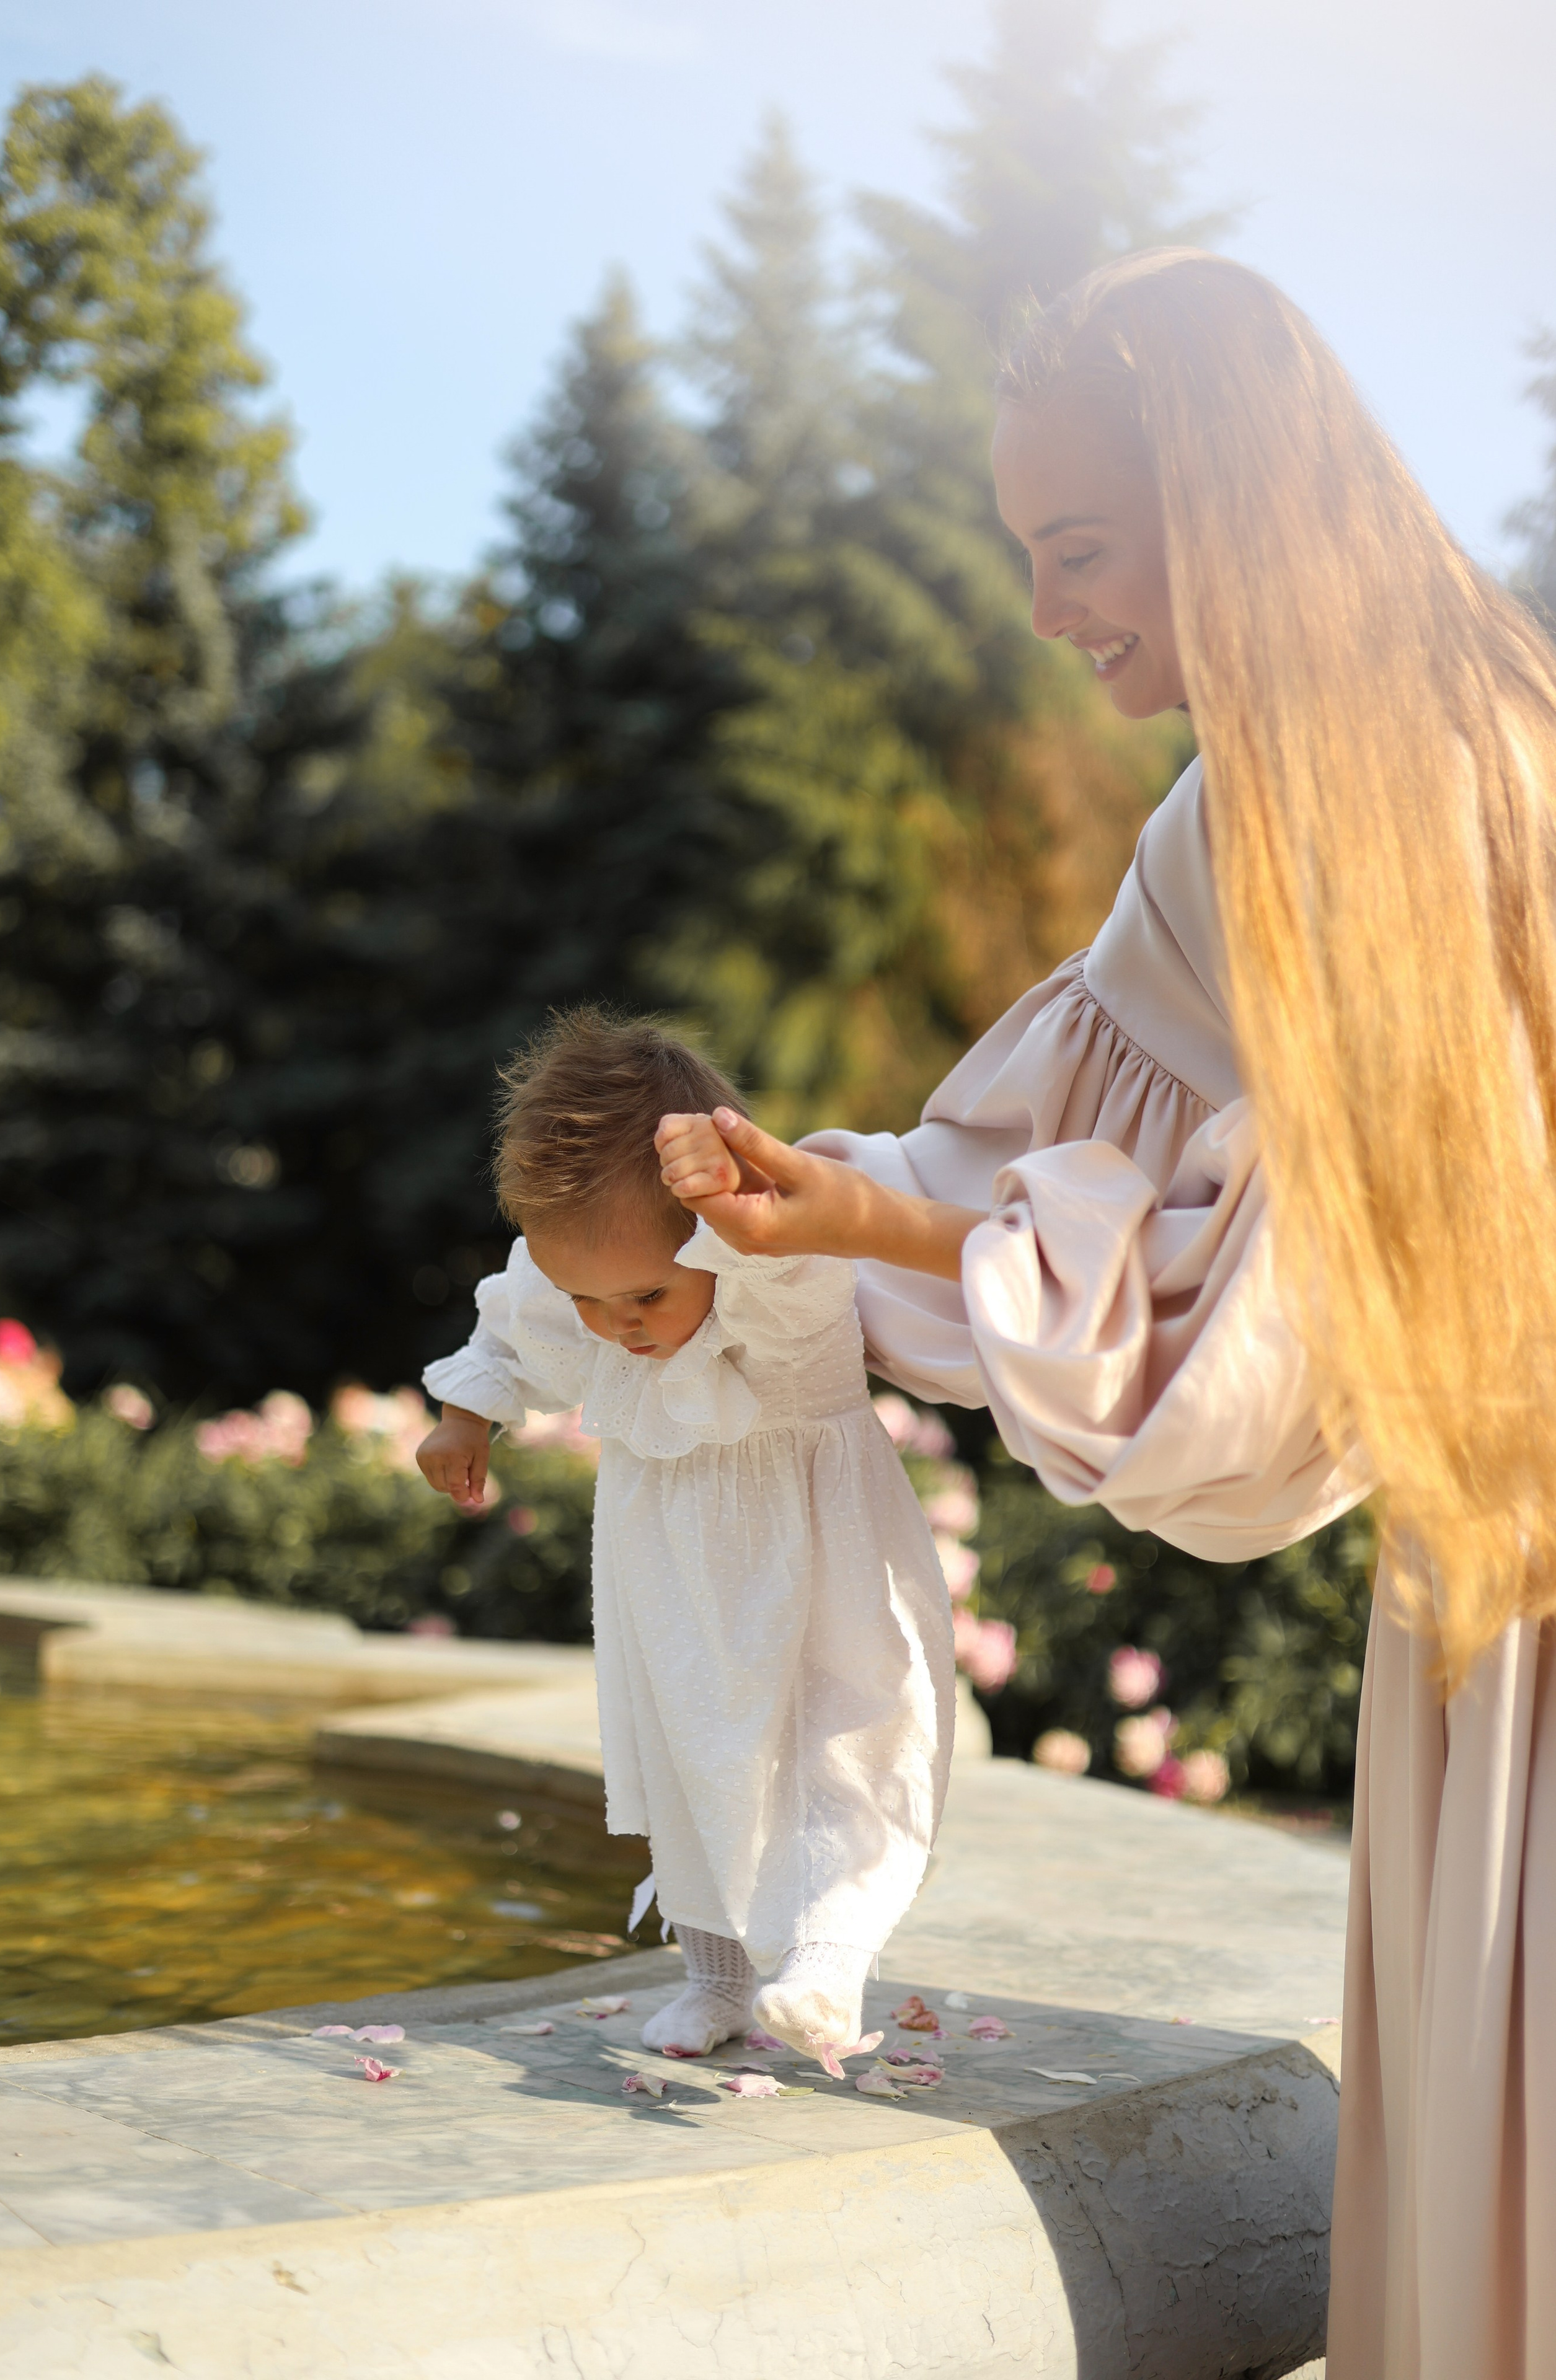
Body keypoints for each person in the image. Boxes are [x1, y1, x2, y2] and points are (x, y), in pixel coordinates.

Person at [654, 250, 1556, 2379]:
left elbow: (1262, 1312)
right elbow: (1112, 1153)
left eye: (1079, 545)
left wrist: (887, 1233)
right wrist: (869, 1211)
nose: (1052, 610)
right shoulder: (1489, 719)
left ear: (1224, 500)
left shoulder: (1324, 800)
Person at [416, 1008, 954, 2071]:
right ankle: (715, 1976)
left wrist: (732, 1194)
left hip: (817, 1546)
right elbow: (512, 1322)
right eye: (590, 1298)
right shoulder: (580, 1286)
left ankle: (828, 1959)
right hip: (667, 1555)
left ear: (719, 1232)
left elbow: (791, 1266)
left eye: (647, 1294)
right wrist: (465, 1418)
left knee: (843, 1733)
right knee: (690, 1748)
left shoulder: (774, 1281)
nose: (616, 1325)